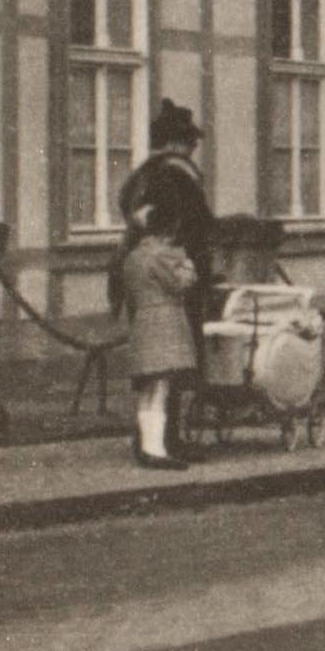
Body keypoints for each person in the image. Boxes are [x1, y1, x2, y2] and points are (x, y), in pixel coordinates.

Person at [116, 98, 217, 457]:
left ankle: (151, 438)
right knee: (171, 365)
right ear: (176, 143)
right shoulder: (178, 174)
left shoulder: (141, 175)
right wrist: (198, 271)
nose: (193, 149)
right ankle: (167, 441)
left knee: (153, 369)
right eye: (190, 142)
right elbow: (199, 226)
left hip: (140, 279)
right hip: (172, 277)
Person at [116, 195, 201, 470]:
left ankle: (146, 448)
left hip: (142, 321)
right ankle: (156, 450)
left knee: (147, 388)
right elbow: (182, 284)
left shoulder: (132, 257)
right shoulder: (161, 256)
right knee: (161, 388)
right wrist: (187, 263)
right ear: (170, 229)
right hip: (165, 323)